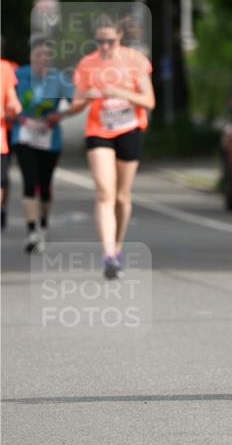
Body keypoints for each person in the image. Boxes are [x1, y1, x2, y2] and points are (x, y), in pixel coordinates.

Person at [69, 15, 155, 279]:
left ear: (120, 38)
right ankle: (108, 254)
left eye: (110, 41)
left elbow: (149, 101)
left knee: (121, 196)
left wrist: (121, 93)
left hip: (129, 128)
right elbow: (75, 104)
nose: (105, 46)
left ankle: (117, 247)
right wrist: (86, 98)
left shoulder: (135, 61)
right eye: (100, 41)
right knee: (104, 192)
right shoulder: (87, 64)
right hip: (99, 130)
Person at [12, 36, 75, 252]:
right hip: (24, 135)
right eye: (38, 55)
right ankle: (31, 232)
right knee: (29, 181)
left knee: (45, 185)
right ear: (31, 56)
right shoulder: (19, 75)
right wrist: (13, 113)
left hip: (50, 139)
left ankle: (44, 225)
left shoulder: (59, 78)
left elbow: (77, 102)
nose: (42, 59)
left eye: (47, 55)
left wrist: (61, 114)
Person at [1, 57, 21, 229]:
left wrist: (14, 109)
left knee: (3, 177)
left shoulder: (7, 67)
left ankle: (2, 208)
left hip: (5, 129)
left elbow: (13, 99)